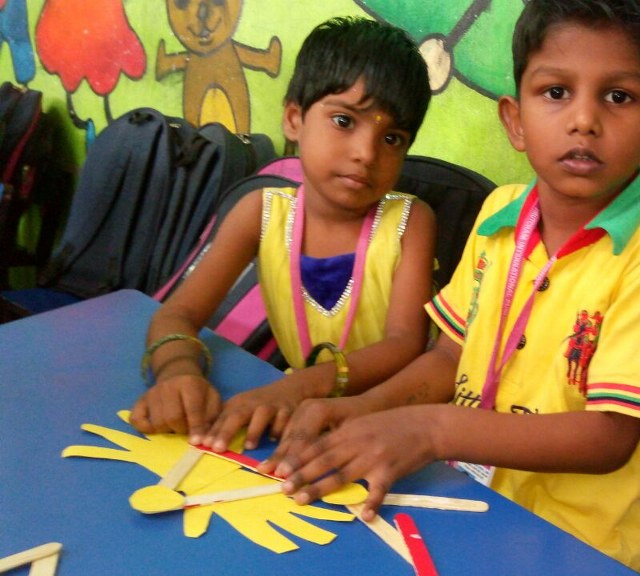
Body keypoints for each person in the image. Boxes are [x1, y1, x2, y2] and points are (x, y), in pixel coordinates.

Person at [262, 1, 640, 571]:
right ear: (515, 121)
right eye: (556, 92)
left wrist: (430, 429)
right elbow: (450, 357)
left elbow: (609, 437)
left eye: (618, 97)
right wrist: (362, 411)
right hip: (463, 502)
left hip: (574, 547)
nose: (584, 120)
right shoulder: (500, 215)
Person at [129, 17, 436, 454]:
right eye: (344, 121)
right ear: (294, 118)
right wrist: (178, 372)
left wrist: (298, 388)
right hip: (292, 420)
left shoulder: (410, 222)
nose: (366, 153)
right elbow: (178, 314)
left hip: (384, 426)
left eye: (392, 138)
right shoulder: (260, 212)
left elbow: (404, 344)